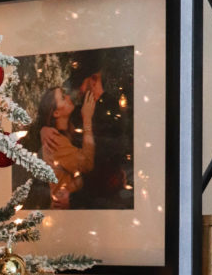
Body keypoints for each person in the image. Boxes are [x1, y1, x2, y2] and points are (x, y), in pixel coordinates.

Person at [65, 51, 133, 209]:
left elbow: (119, 147)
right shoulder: (77, 112)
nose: (79, 90)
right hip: (82, 195)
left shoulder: (114, 107)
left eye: (80, 84)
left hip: (108, 196)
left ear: (94, 79)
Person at [24, 86, 96, 208]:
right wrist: (87, 120)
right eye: (63, 98)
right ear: (56, 113)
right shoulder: (55, 141)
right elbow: (87, 164)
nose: (68, 97)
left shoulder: (67, 130)